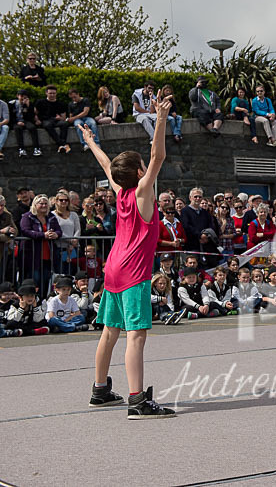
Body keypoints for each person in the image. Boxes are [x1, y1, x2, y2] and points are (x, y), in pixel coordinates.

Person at [82, 90, 176, 419]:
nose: (145, 168)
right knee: (135, 336)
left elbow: (107, 163)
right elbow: (157, 157)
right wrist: (160, 119)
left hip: (112, 270)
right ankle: (137, 400)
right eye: (142, 167)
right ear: (138, 174)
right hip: (134, 271)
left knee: (110, 331)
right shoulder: (141, 193)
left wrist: (91, 140)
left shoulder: (120, 190)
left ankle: (100, 390)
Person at [35, 85, 70, 153]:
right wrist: (37, 120)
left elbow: (64, 117)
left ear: (56, 93)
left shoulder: (60, 103)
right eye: (50, 93)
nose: (52, 95)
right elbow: (35, 113)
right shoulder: (40, 102)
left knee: (64, 124)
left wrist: (60, 118)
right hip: (45, 120)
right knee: (48, 125)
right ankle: (62, 144)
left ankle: (61, 146)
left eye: (54, 93)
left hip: (56, 120)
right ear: (46, 93)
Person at [12, 90, 41, 157]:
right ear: (17, 96)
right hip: (16, 121)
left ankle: (36, 148)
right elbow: (10, 116)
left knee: (32, 128)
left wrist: (28, 107)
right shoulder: (12, 104)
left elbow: (31, 117)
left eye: (25, 97)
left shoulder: (29, 104)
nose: (23, 99)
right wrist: (17, 122)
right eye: (21, 96)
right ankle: (21, 149)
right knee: (17, 128)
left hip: (26, 121)